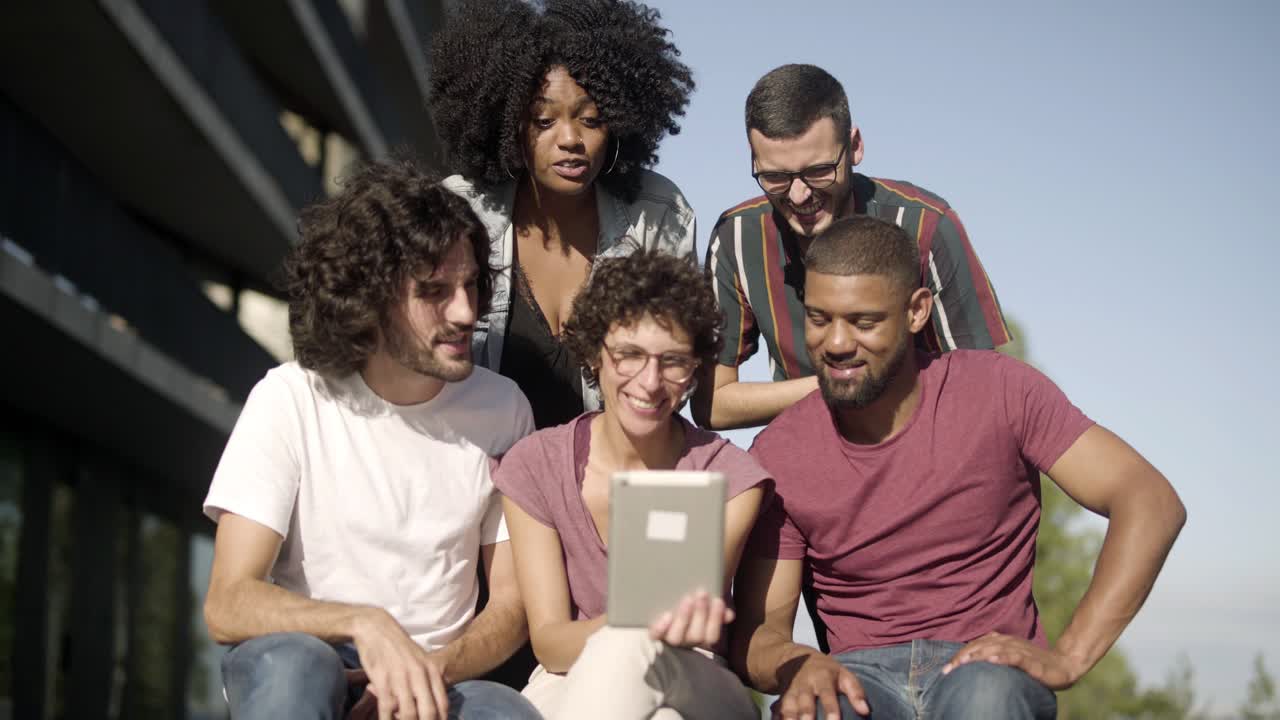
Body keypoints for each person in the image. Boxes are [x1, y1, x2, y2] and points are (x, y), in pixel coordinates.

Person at [731, 215, 1186, 720]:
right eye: (819, 319)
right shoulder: (779, 451)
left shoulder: (1001, 391)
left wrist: (1069, 657)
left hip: (983, 666)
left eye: (863, 322)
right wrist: (796, 661)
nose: (836, 343)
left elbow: (1150, 501)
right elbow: (759, 628)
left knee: (986, 701)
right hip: (858, 677)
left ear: (917, 311)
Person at [201, 160, 541, 720]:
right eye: (435, 290)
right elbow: (228, 602)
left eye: (471, 284)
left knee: (508, 714)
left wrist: (425, 673)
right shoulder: (291, 397)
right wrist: (364, 621)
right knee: (295, 669)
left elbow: (511, 603)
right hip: (310, 655)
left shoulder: (503, 408)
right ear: (372, 297)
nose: (466, 312)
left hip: (439, 673)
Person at [493, 249, 767, 720]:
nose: (650, 381)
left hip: (696, 676)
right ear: (595, 352)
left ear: (695, 370)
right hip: (570, 674)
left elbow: (686, 631)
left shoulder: (731, 478)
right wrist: (625, 632)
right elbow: (552, 645)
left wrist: (629, 633)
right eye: (629, 355)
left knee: (628, 649)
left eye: (674, 361)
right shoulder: (537, 464)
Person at [695, 63, 1010, 431]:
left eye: (818, 171)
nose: (799, 194)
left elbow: (979, 388)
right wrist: (837, 385)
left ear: (855, 147)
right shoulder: (735, 238)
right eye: (775, 177)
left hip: (925, 443)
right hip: (808, 449)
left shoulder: (927, 226)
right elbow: (711, 405)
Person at [429, 0, 697, 430]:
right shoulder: (460, 212)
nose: (570, 138)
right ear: (508, 123)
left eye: (591, 119)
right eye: (543, 120)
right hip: (480, 469)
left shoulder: (658, 214)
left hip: (603, 477)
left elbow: (675, 370)